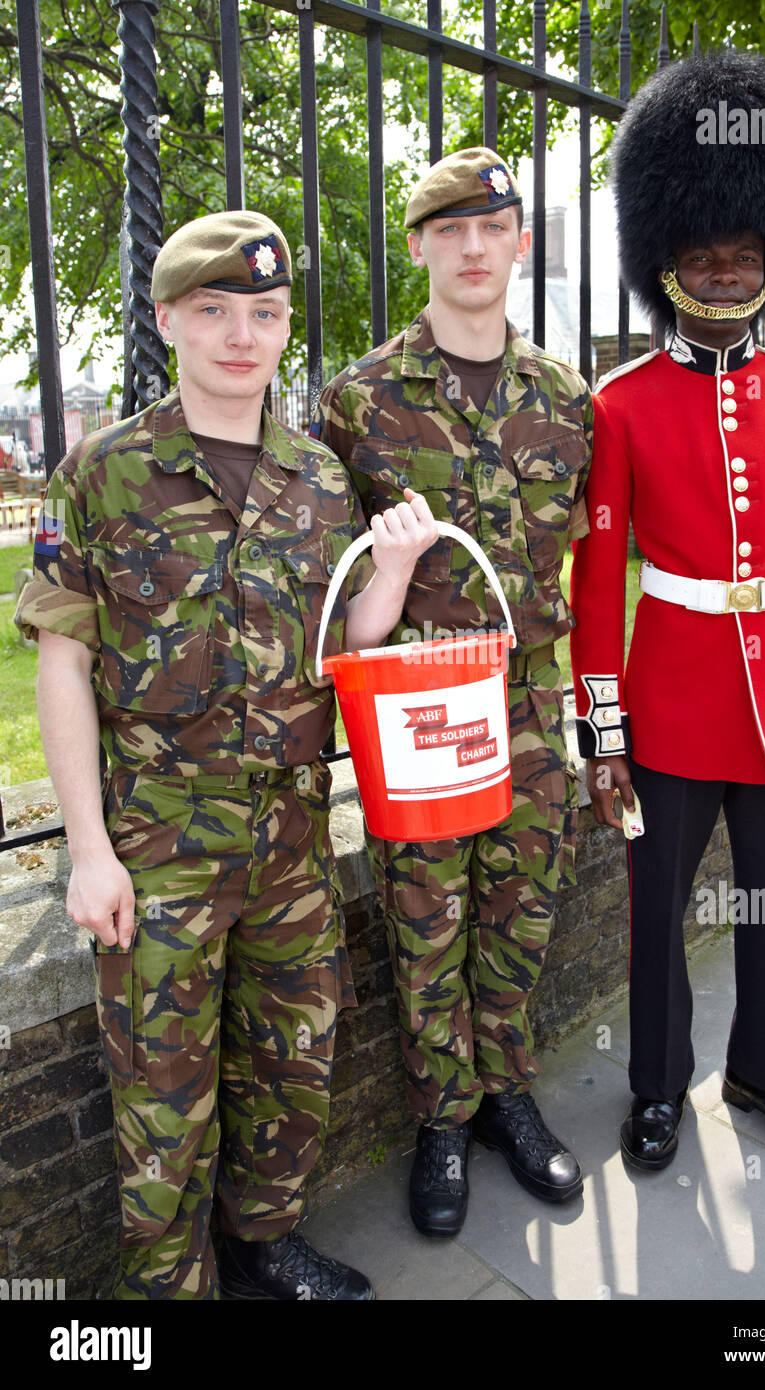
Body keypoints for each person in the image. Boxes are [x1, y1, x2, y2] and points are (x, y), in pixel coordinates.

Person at [15, 210, 437, 1299]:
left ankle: (263, 1242)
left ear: (286, 324)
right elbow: (61, 667)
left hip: (293, 836)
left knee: (292, 1061)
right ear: (167, 321)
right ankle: (168, 1288)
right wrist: (90, 853)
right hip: (160, 848)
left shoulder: (322, 478)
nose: (240, 335)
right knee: (163, 1099)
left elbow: (346, 642)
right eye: (213, 311)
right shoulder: (102, 473)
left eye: (263, 312)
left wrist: (388, 580)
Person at [571, 50, 765, 1174]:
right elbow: (599, 585)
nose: (730, 272)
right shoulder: (624, 406)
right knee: (657, 915)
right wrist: (603, 736)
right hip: (671, 706)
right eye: (706, 253)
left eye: (746, 254)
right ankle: (657, 1086)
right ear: (669, 261)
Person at [313, 148, 593, 1236]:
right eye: (449, 230)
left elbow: (583, 550)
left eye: (494, 229)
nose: (472, 249)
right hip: (421, 708)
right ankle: (443, 1116)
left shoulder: (568, 401)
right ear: (421, 245)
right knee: (426, 921)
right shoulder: (361, 401)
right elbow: (336, 597)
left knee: (519, 912)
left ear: (521, 242)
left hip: (526, 706)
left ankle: (506, 1095)